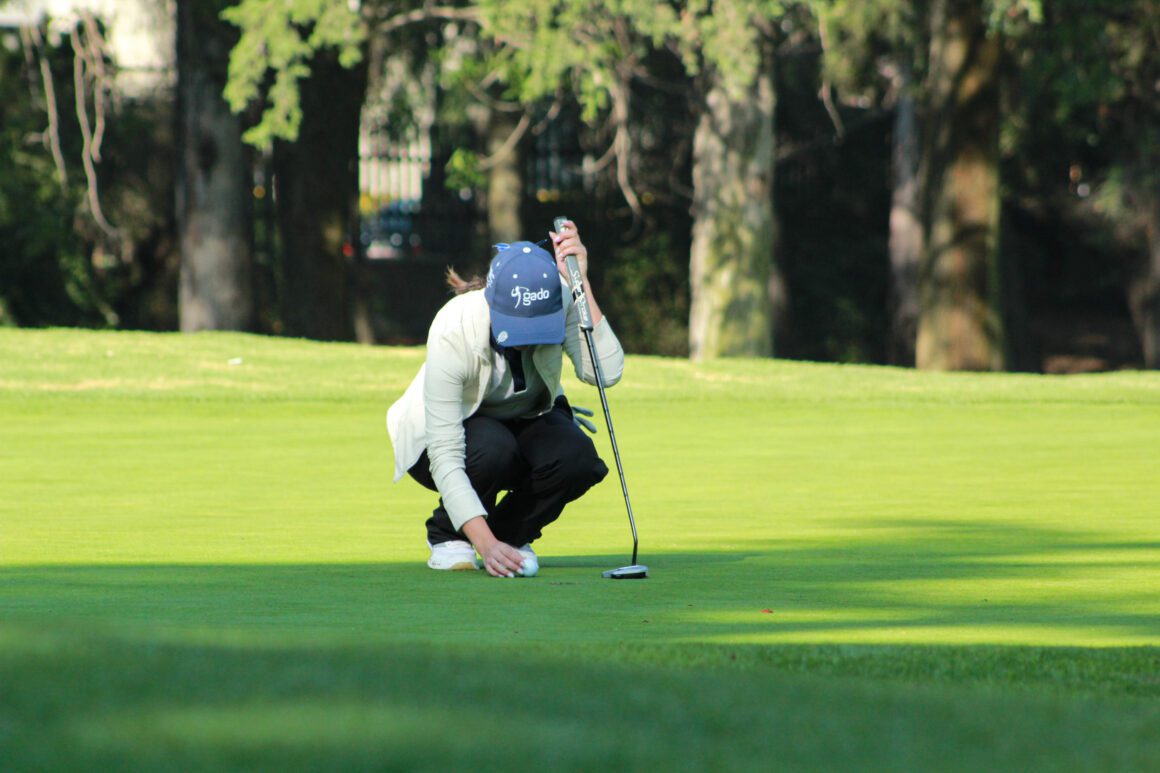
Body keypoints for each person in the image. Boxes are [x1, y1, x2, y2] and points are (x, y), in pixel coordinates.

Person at [386, 220, 625, 577]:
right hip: (441, 443)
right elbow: (445, 453)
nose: (529, 341)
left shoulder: (560, 298)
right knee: (495, 447)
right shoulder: (454, 327)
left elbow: (604, 372)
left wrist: (581, 283)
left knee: (576, 458)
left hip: (523, 420)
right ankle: (448, 535)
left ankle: (509, 538)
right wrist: (483, 544)